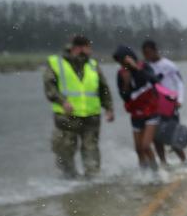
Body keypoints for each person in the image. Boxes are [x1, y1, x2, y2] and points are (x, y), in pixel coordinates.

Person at [43, 35, 114, 179]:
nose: (91, 51)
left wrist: (109, 108)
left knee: (91, 149)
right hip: (67, 116)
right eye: (89, 48)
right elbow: (49, 87)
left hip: (91, 116)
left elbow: (103, 88)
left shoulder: (93, 65)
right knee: (65, 148)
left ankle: (93, 182)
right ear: (80, 48)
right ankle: (69, 180)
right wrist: (62, 101)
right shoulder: (56, 63)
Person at [113, 45, 161, 171]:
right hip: (136, 114)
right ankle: (143, 175)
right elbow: (125, 98)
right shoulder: (121, 74)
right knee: (139, 149)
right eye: (119, 62)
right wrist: (126, 84)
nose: (122, 64)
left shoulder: (144, 66)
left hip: (152, 111)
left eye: (123, 60)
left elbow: (155, 80)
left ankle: (156, 173)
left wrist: (136, 68)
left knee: (145, 146)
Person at [142, 39, 187, 166]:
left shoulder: (169, 65)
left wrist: (180, 100)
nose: (147, 56)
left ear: (155, 51)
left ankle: (184, 161)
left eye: (149, 52)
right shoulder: (145, 67)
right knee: (157, 137)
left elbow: (179, 83)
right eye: (144, 53)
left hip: (170, 104)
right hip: (154, 106)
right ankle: (163, 162)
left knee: (173, 133)